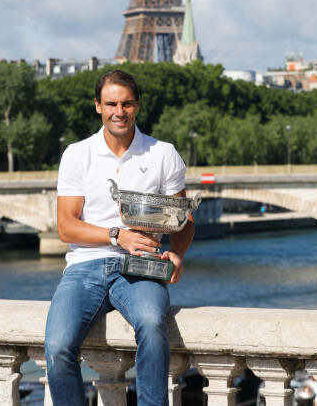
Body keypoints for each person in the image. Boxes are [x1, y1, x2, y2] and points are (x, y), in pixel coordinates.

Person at [45, 69, 195, 406]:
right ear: (98, 106)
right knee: (56, 347)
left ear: (137, 106)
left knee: (152, 326)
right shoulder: (77, 154)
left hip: (142, 266)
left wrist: (177, 255)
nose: (119, 112)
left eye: (126, 104)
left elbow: (184, 222)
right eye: (111, 103)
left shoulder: (163, 154)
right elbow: (66, 227)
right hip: (85, 265)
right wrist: (118, 236)